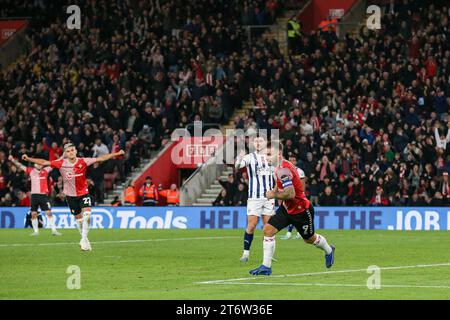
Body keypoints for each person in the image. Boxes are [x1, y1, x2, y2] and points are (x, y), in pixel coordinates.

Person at [249, 142, 335, 276]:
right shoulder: (278, 167)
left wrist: (273, 194)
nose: (266, 158)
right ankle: (266, 266)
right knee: (268, 230)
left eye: (269, 154)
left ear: (278, 154)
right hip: (287, 209)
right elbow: (280, 185)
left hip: (301, 211)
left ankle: (329, 250)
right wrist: (274, 190)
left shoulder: (283, 170)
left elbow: (290, 194)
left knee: (309, 239)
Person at [22, 142, 124, 251]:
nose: (70, 152)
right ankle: (84, 239)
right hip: (70, 196)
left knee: (88, 215)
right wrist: (29, 159)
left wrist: (116, 153)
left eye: (72, 150)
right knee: (79, 220)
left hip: (83, 193)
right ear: (66, 153)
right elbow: (44, 162)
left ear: (75, 151)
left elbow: (101, 158)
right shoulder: (61, 163)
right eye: (68, 151)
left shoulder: (83, 161)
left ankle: (84, 239)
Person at [235, 135, 275, 262]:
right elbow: (238, 166)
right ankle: (245, 254)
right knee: (251, 225)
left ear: (265, 143)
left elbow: (276, 175)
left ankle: (268, 256)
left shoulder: (271, 157)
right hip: (254, 197)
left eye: (261, 141)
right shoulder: (249, 157)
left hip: (269, 198)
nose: (258, 143)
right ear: (253, 143)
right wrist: (239, 157)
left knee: (268, 227)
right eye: (256, 141)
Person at [8, 155, 61, 236]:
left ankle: (54, 230)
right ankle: (36, 231)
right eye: (37, 163)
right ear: (34, 164)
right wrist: (12, 160)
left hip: (43, 196)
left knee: (49, 213)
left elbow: (55, 163)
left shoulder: (46, 170)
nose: (39, 164)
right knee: (33, 214)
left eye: (40, 163)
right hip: (34, 196)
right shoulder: (31, 171)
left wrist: (63, 156)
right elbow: (20, 165)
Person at [281, 165, 306, 240]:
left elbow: (303, 184)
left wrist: (302, 195)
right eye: (290, 159)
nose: (292, 161)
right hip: (289, 196)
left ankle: (296, 233)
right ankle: (293, 233)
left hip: (297, 196)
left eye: (294, 160)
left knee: (297, 215)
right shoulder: (285, 171)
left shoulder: (300, 171)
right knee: (291, 215)